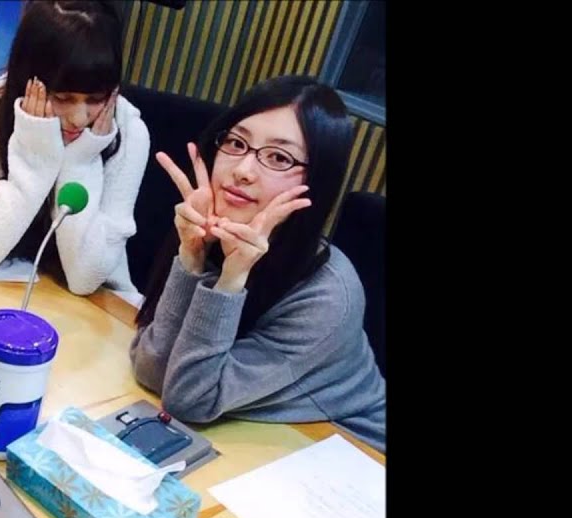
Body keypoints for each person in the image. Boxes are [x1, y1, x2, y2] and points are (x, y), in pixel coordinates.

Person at [130, 75, 386, 452]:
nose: (243, 170)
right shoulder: (216, 230)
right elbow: (152, 371)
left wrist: (230, 282)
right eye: (236, 143)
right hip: (255, 433)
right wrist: (191, 257)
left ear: (317, 181)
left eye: (279, 157)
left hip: (347, 450)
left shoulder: (328, 296)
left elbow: (188, 400)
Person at [0, 0, 149, 295]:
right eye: (63, 98)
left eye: (96, 99)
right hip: (1, 290)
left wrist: (80, 161)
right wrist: (36, 160)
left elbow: (85, 279)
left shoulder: (130, 132)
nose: (79, 118)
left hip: (99, 306)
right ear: (26, 80)